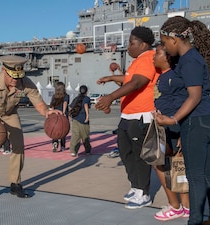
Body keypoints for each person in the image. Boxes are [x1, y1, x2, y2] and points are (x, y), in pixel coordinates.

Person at [157, 16, 210, 225]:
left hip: (196, 120)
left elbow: (194, 96)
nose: (166, 49)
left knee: (195, 176)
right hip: (206, 117)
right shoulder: (193, 58)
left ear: (174, 40)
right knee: (207, 173)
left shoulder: (189, 60)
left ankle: (194, 221)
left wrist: (173, 119)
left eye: (165, 43)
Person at [0, 55, 61, 204]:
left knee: (19, 145)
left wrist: (47, 112)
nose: (15, 80)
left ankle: (15, 183)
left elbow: (38, 103)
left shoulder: (25, 83)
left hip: (10, 114)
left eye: (18, 77)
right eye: (12, 76)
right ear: (3, 70)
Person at [96, 26, 160, 209]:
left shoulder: (148, 58)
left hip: (141, 115)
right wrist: (110, 78)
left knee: (140, 156)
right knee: (125, 152)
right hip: (128, 114)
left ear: (143, 44)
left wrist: (110, 97)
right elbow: (129, 79)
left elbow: (137, 82)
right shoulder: (138, 60)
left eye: (132, 43)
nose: (128, 46)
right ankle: (135, 186)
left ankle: (144, 193)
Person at [153, 45, 190, 221]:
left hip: (173, 126)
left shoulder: (174, 75)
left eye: (158, 53)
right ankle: (185, 207)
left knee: (165, 163)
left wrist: (183, 130)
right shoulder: (164, 76)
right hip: (164, 126)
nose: (154, 56)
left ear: (167, 57)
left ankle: (176, 206)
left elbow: (184, 102)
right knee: (174, 164)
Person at [69, 85, 91, 157]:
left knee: (75, 135)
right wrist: (87, 116)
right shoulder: (86, 98)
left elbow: (71, 107)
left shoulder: (76, 98)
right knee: (85, 136)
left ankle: (73, 151)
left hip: (75, 119)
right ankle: (87, 150)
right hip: (83, 119)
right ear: (86, 91)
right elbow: (86, 105)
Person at [49, 81, 69, 152]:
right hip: (63, 115)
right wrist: (63, 112)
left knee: (55, 130)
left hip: (55, 115)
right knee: (63, 130)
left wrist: (51, 113)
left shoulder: (54, 96)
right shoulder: (66, 96)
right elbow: (65, 103)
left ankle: (55, 142)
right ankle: (62, 146)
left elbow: (52, 106)